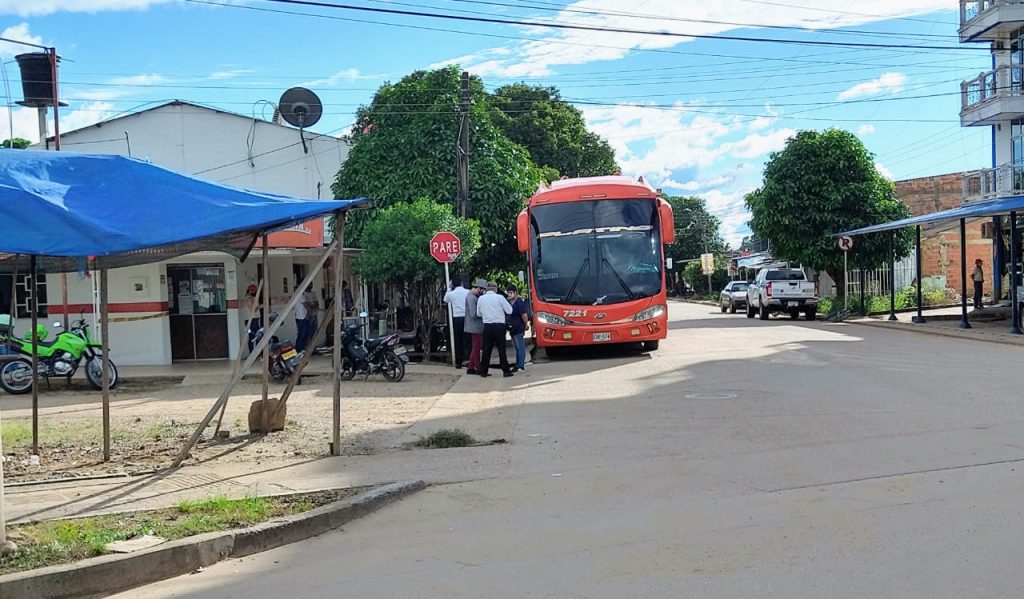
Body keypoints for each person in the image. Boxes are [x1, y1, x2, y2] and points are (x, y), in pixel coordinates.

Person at [477, 281, 514, 378]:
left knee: (486, 349)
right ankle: (505, 371)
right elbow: (509, 310)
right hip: (499, 326)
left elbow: (478, 314)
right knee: (501, 349)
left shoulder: (481, 299)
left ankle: (483, 371)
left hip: (487, 326)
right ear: (495, 289)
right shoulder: (500, 298)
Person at [443, 276, 469, 368]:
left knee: (458, 340)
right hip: (467, 318)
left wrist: (449, 288)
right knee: (467, 339)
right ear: (462, 283)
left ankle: (459, 361)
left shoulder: (452, 294)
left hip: (457, 318)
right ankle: (468, 359)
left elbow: (445, 299)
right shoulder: (467, 292)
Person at [464, 279, 486, 374]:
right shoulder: (472, 297)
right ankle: (478, 366)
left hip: (474, 326)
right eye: (482, 290)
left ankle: (471, 367)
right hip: (475, 326)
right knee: (476, 346)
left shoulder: (472, 296)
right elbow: (473, 313)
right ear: (478, 288)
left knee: (475, 346)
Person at [506, 285, 529, 372]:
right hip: (513, 329)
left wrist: (526, 325)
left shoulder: (519, 303)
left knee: (520, 347)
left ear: (515, 293)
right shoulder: (510, 303)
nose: (509, 294)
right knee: (517, 348)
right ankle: (518, 364)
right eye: (508, 293)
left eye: (511, 292)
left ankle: (520, 365)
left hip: (518, 328)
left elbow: (524, 315)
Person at [244, 284, 261, 353]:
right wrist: (261, 306)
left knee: (253, 336)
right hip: (252, 320)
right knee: (255, 336)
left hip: (251, 320)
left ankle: (253, 353)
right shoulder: (249, 298)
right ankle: (253, 353)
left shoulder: (248, 298)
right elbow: (253, 310)